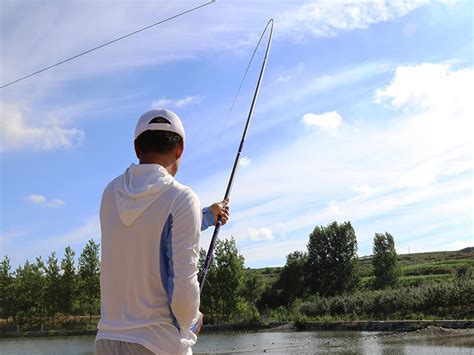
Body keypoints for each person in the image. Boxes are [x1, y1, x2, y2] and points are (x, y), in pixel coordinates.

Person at [95, 109, 229, 355]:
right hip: (157, 344)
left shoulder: (109, 194)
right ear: (180, 148)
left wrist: (209, 215)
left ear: (137, 148)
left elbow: (148, 228)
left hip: (107, 342)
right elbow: (183, 293)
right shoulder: (182, 198)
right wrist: (191, 320)